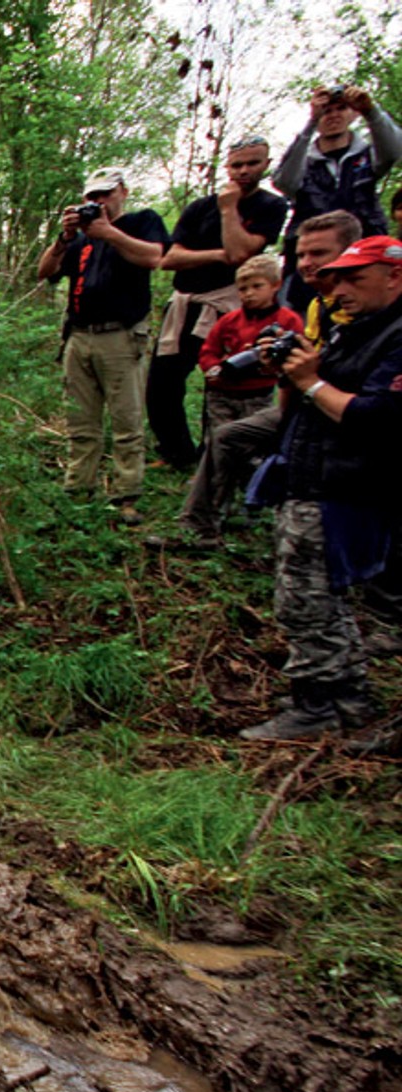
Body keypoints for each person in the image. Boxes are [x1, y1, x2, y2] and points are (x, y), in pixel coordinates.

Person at [240, 236, 402, 739]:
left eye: (355, 278)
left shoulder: (394, 337)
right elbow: (312, 397)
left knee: (303, 601)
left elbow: (377, 418)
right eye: (336, 279)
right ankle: (347, 699)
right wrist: (291, 373)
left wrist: (311, 382)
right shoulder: (352, 328)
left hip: (346, 488)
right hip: (313, 474)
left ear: (394, 276)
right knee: (321, 598)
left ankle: (315, 706)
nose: (339, 289)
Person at [147, 136, 288, 472]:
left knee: (223, 382)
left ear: (266, 165)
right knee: (161, 384)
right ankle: (177, 452)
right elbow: (170, 259)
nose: (243, 171)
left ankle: (219, 456)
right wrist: (220, 255)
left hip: (230, 306)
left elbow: (241, 252)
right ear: (227, 166)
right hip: (185, 304)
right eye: (237, 165)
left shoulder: (271, 206)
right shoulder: (199, 207)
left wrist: (228, 210)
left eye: (252, 163)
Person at [36, 168, 168, 523]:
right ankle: (79, 488)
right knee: (81, 420)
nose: (98, 203)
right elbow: (45, 272)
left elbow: (154, 257)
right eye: (92, 197)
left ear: (123, 191)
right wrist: (64, 238)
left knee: (126, 419)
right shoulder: (80, 240)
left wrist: (109, 233)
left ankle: (127, 494)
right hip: (80, 335)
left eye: (105, 194)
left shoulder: (141, 222)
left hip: (121, 335)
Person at [149, 255, 304, 549]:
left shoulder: (287, 321)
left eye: (256, 287)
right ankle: (209, 517)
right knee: (219, 447)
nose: (249, 294)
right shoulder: (230, 319)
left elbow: (294, 358)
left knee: (249, 454)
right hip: (223, 394)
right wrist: (215, 369)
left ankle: (245, 506)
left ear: (275, 285)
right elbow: (208, 350)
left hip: (258, 396)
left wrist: (267, 362)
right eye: (242, 289)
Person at [274, 84, 402, 309]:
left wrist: (370, 110)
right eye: (327, 110)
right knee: (303, 316)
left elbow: (395, 152)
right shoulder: (303, 161)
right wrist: (311, 122)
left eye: (341, 108)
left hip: (363, 258)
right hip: (311, 267)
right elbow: (283, 181)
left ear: (353, 113)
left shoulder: (368, 156)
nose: (333, 115)